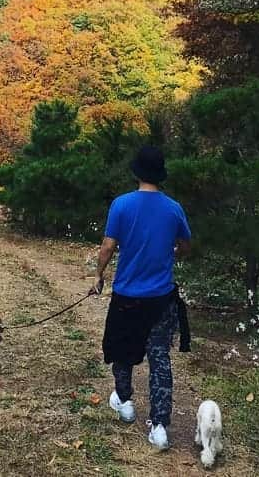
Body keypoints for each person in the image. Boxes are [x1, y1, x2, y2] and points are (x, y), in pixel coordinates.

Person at [92, 144, 191, 451]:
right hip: (161, 298)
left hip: (126, 297)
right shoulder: (174, 208)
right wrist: (173, 251)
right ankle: (160, 426)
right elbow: (186, 246)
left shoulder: (121, 205)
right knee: (159, 357)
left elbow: (108, 247)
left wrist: (99, 274)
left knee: (123, 351)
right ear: (160, 175)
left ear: (136, 172)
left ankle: (124, 401)